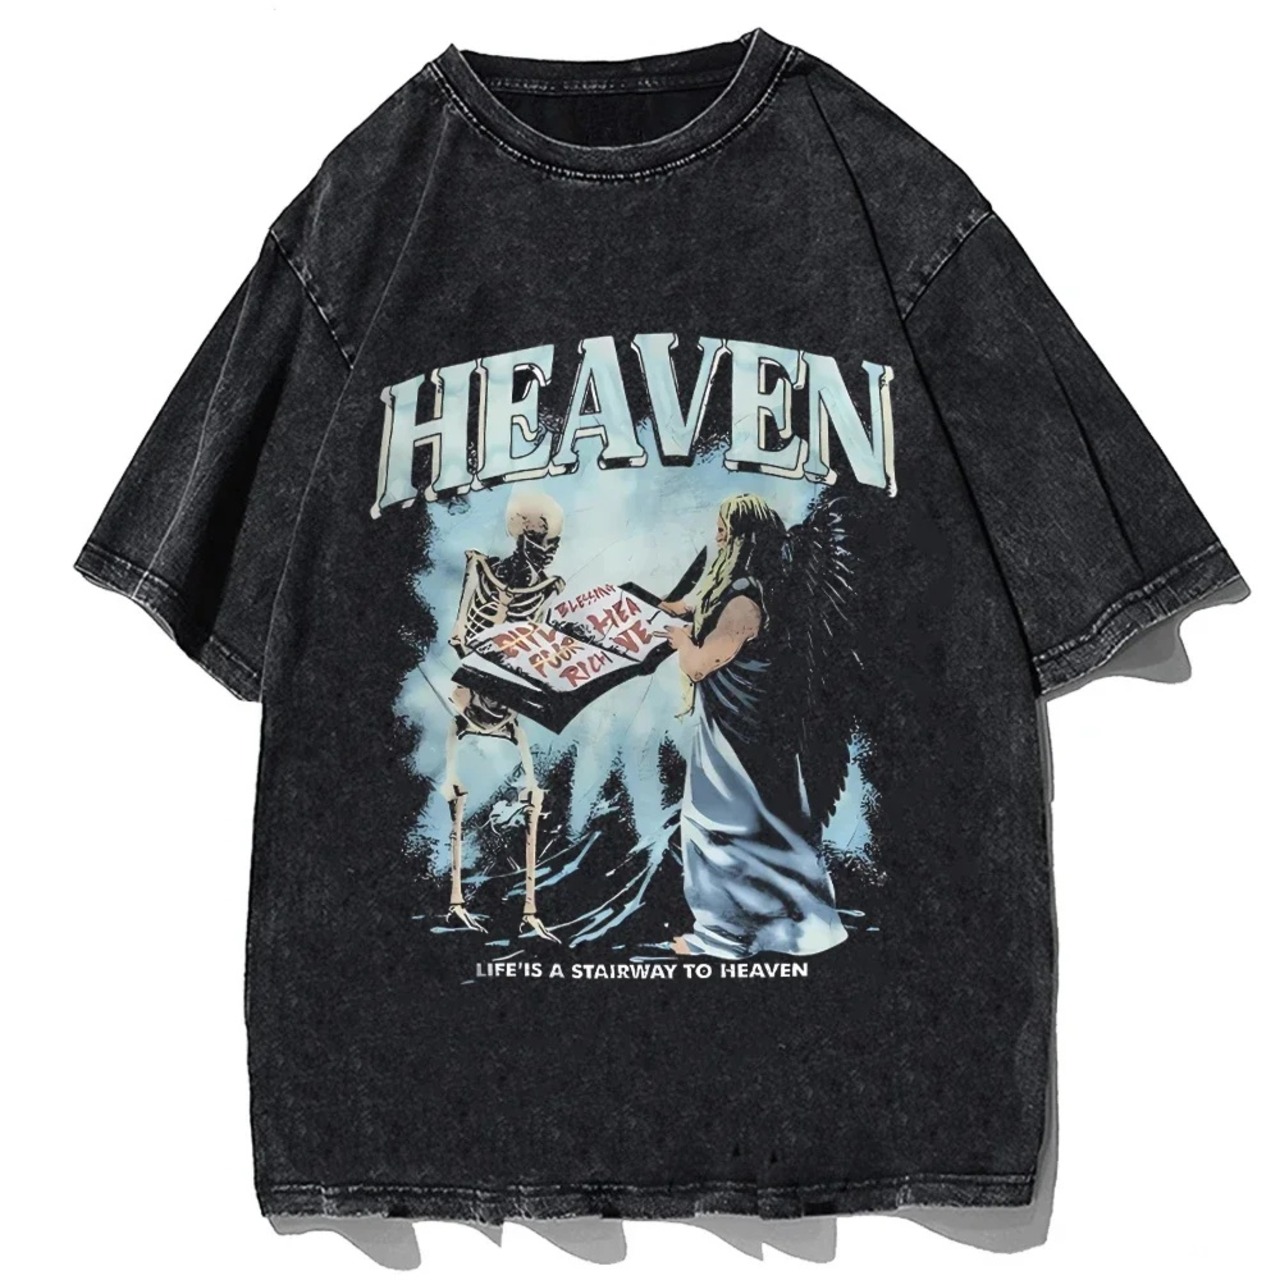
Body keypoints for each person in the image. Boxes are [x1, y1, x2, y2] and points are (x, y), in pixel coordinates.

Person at [660, 494, 848, 958]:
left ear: (743, 537)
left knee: (718, 828)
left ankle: (724, 937)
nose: (717, 536)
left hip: (737, 737)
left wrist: (682, 642)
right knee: (766, 829)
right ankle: (778, 927)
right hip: (738, 728)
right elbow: (698, 608)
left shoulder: (744, 602)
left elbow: (700, 665)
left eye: (724, 529)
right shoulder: (746, 588)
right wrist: (668, 610)